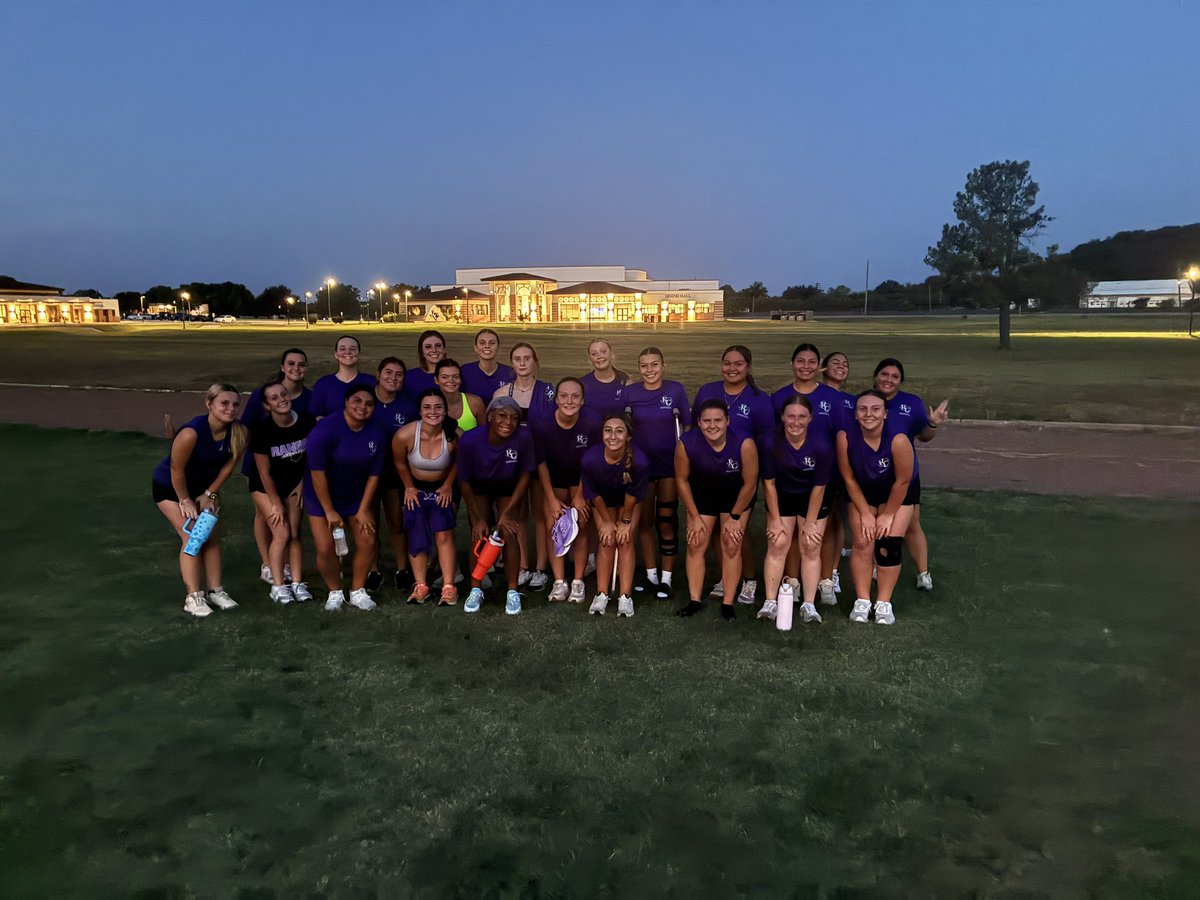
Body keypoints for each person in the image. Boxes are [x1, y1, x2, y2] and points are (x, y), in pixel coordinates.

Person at [152, 383, 248, 617]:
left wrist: (210, 494)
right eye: (224, 403)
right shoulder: (191, 433)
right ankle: (193, 597)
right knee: (193, 536)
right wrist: (185, 500)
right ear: (209, 404)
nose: (231, 409)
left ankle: (215, 591)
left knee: (212, 536)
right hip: (170, 488)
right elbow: (176, 470)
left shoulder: (240, 432)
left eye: (235, 404)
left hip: (203, 490)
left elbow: (228, 467)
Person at [692, 344, 774, 606]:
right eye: (727, 363)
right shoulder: (708, 391)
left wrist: (759, 475)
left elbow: (766, 440)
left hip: (740, 476)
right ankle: (727, 578)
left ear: (748, 367)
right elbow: (696, 428)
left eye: (738, 364)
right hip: (708, 471)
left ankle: (749, 579)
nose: (732, 368)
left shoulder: (759, 400)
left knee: (736, 532)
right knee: (715, 532)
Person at [770, 343, 846, 607]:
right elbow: (775, 437)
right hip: (788, 474)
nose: (805, 366)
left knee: (820, 531)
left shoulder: (833, 398)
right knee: (789, 533)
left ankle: (826, 579)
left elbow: (841, 437)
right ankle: (792, 581)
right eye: (800, 361)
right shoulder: (779, 397)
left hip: (825, 475)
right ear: (792, 364)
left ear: (819, 366)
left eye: (811, 361)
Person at [303, 384, 387, 612]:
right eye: (357, 401)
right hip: (322, 497)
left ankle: (358, 590)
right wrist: (329, 510)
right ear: (347, 402)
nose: (363, 407)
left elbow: (374, 474)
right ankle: (335, 591)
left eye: (369, 404)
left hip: (356, 496)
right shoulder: (325, 430)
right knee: (325, 548)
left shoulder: (377, 431)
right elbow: (317, 473)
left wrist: (362, 509)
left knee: (368, 539)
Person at [837, 389, 917, 625]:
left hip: (898, 491)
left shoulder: (898, 439)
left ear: (885, 414)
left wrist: (887, 515)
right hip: (863, 491)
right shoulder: (845, 437)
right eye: (862, 409)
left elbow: (903, 480)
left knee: (888, 543)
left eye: (875, 409)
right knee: (863, 541)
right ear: (855, 415)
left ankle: (883, 602)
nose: (868, 414)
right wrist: (865, 513)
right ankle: (862, 600)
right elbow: (848, 478)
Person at [674, 399, 759, 621]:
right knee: (696, 541)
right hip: (703, 494)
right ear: (699, 423)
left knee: (731, 542)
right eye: (707, 421)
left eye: (718, 420)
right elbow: (682, 481)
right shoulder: (686, 443)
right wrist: (692, 515)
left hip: (736, 497)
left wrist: (735, 517)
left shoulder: (744, 443)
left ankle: (728, 602)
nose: (713, 425)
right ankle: (694, 600)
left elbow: (750, 484)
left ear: (727, 421)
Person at [872, 358, 949, 591]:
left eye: (895, 377)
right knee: (877, 521)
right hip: (873, 474)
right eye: (884, 374)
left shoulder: (912, 403)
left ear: (900, 381)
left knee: (912, 525)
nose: (889, 380)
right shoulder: (865, 401)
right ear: (875, 376)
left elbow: (923, 436)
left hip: (905, 476)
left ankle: (923, 573)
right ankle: (878, 563)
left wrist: (933, 424)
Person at [456, 396, 536, 615]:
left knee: (508, 532)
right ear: (490, 417)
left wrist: (508, 512)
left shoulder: (523, 437)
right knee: (479, 533)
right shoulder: (471, 440)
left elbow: (525, 475)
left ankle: (512, 590)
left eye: (514, 417)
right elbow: (464, 480)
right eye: (502, 415)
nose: (508, 422)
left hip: (508, 487)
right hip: (480, 487)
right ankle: (475, 588)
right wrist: (477, 517)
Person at [239, 348, 312, 585]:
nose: (295, 369)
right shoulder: (263, 395)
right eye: (290, 364)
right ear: (282, 367)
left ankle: (286, 566)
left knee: (290, 528)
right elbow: (246, 428)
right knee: (266, 515)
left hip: (291, 466)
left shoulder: (307, 398)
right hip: (263, 464)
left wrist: (303, 480)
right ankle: (268, 565)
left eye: (301, 364)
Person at [759, 395, 834, 624]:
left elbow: (819, 487)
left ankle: (809, 605)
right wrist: (774, 519)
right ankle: (770, 602)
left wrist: (810, 523)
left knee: (810, 544)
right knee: (778, 542)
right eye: (790, 416)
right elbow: (769, 484)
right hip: (782, 494)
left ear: (810, 418)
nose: (795, 422)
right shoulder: (770, 441)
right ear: (782, 417)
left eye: (802, 417)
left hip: (812, 496)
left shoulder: (821, 444)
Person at [623, 346, 690, 599]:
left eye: (654, 365)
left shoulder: (675, 390)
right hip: (641, 466)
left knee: (667, 521)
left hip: (668, 467)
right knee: (645, 522)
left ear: (663, 365)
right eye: (644, 366)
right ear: (639, 368)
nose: (649, 370)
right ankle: (651, 575)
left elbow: (687, 424)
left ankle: (667, 578)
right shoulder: (631, 392)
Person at [248, 377, 317, 605]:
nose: (281, 400)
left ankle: (296, 582)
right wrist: (275, 502)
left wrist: (302, 482)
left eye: (284, 395)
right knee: (282, 533)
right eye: (274, 398)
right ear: (267, 405)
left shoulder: (305, 421)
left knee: (295, 533)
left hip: (294, 484)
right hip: (265, 488)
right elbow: (263, 472)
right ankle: (278, 586)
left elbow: (312, 457)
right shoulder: (262, 430)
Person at [532, 377, 602, 603]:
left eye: (575, 396)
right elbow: (540, 463)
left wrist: (581, 495)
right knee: (555, 526)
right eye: (564, 396)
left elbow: (591, 462)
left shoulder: (592, 422)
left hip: (580, 478)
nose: (569, 401)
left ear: (582, 400)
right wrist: (550, 498)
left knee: (580, 523)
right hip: (554, 480)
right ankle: (559, 581)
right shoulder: (542, 423)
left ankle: (578, 581)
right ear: (556, 399)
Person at [493, 342, 556, 589]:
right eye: (517, 358)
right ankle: (521, 565)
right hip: (513, 461)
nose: (522, 362)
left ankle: (541, 568)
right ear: (512, 363)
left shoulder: (548, 391)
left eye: (527, 358)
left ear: (534, 361)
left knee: (541, 515)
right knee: (517, 516)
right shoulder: (502, 394)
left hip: (541, 459)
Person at [392, 389, 460, 605]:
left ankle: (449, 586)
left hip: (443, 487)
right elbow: (400, 462)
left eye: (438, 407)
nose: (433, 412)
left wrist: (448, 485)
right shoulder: (405, 434)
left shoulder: (453, 435)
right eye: (427, 407)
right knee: (417, 532)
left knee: (443, 533)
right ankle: (421, 585)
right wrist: (409, 487)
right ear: (420, 411)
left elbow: (459, 461)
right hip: (415, 486)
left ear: (445, 410)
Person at [581, 414, 649, 617]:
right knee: (607, 539)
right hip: (603, 502)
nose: (613, 436)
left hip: (629, 502)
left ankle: (625, 596)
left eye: (619, 431)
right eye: (608, 430)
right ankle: (601, 594)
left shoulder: (640, 461)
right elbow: (593, 494)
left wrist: (625, 522)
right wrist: (608, 523)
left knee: (625, 540)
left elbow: (633, 496)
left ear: (628, 436)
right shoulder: (590, 459)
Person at [370, 357, 418, 592]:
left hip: (394, 473)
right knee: (369, 523)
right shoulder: (365, 401)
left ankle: (402, 569)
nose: (393, 378)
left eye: (399, 374)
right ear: (378, 374)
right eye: (388, 372)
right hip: (366, 473)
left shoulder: (407, 406)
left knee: (396, 522)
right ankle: (372, 570)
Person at [309, 335, 376, 418]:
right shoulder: (323, 384)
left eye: (352, 349)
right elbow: (314, 416)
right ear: (336, 355)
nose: (347, 352)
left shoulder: (371, 382)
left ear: (359, 354)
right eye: (342, 349)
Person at [579, 337, 628, 419]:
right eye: (594, 354)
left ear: (611, 354)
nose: (599, 356)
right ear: (590, 359)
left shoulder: (626, 382)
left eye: (603, 351)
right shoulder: (582, 384)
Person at [435, 358, 486, 433]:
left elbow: (485, 434)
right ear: (436, 380)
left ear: (460, 379)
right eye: (444, 377)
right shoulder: (432, 406)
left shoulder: (475, 403)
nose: (451, 380)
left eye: (455, 377)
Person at [461, 328, 514, 400]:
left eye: (492, 343)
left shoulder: (510, 373)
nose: (487, 346)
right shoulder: (465, 371)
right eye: (482, 343)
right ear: (475, 347)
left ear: (498, 347)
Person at [406, 330, 446, 396]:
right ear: (422, 352)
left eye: (438, 345)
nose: (434, 350)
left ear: (444, 349)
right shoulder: (409, 377)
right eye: (428, 347)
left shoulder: (455, 376)